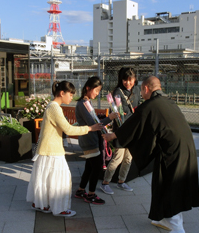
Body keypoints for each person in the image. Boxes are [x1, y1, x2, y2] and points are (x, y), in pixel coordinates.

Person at [103, 76, 199, 233]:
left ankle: (177, 229)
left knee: (171, 186)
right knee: (160, 184)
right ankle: (162, 218)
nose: (141, 94)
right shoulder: (167, 102)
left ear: (146, 89)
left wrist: (113, 136)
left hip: (172, 153)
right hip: (184, 148)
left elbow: (134, 124)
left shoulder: (150, 105)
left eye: (141, 90)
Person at [26, 81, 103, 217]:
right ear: (62, 93)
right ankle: (59, 209)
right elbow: (68, 129)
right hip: (53, 151)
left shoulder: (52, 106)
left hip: (47, 150)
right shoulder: (55, 108)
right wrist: (90, 128)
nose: (72, 97)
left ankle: (40, 204)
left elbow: (65, 127)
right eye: (70, 94)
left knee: (45, 179)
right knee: (60, 180)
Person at [75, 76, 118, 204]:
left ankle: (81, 190)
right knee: (96, 167)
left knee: (89, 166)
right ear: (88, 88)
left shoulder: (86, 102)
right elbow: (94, 124)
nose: (97, 93)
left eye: (99, 91)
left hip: (90, 139)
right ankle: (91, 194)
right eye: (96, 90)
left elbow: (94, 123)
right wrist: (109, 118)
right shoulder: (83, 104)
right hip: (89, 141)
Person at [101, 67, 141, 193]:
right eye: (125, 79)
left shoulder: (137, 90)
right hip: (121, 129)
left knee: (128, 158)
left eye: (130, 80)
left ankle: (121, 181)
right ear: (121, 79)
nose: (127, 82)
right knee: (118, 157)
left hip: (132, 129)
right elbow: (118, 112)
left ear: (134, 79)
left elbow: (137, 107)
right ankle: (105, 182)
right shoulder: (118, 92)